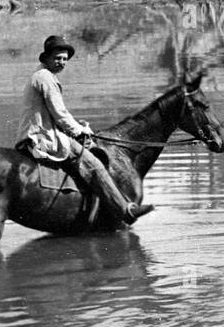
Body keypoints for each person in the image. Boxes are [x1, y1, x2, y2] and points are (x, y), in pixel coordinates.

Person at [16, 35, 152, 226]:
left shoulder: (41, 74)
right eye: (57, 58)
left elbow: (57, 114)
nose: (62, 62)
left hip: (41, 132)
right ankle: (126, 210)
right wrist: (80, 131)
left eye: (64, 59)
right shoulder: (46, 78)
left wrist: (78, 128)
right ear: (46, 58)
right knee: (94, 164)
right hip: (42, 136)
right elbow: (60, 114)